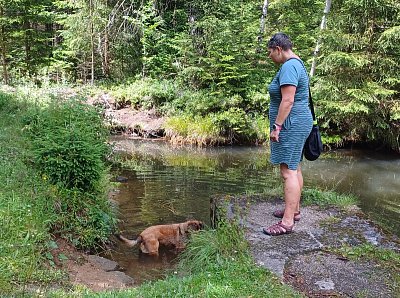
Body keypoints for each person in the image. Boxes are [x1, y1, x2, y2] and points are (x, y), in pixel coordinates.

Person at [263, 32, 313, 236]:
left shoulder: (289, 67)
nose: (269, 57)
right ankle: (295, 210)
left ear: (278, 49)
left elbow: (288, 100)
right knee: (295, 166)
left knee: (287, 171)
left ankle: (287, 222)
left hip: (291, 124)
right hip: (298, 122)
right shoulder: (297, 63)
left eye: (270, 52)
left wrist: (277, 126)